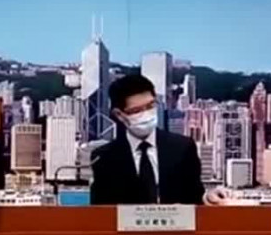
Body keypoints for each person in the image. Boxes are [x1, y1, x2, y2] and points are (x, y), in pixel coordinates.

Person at [90, 74, 227, 205]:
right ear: (119, 114)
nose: (146, 114)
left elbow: (195, 197)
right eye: (136, 111)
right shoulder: (104, 157)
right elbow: (101, 210)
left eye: (150, 106)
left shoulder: (183, 147)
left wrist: (209, 197)